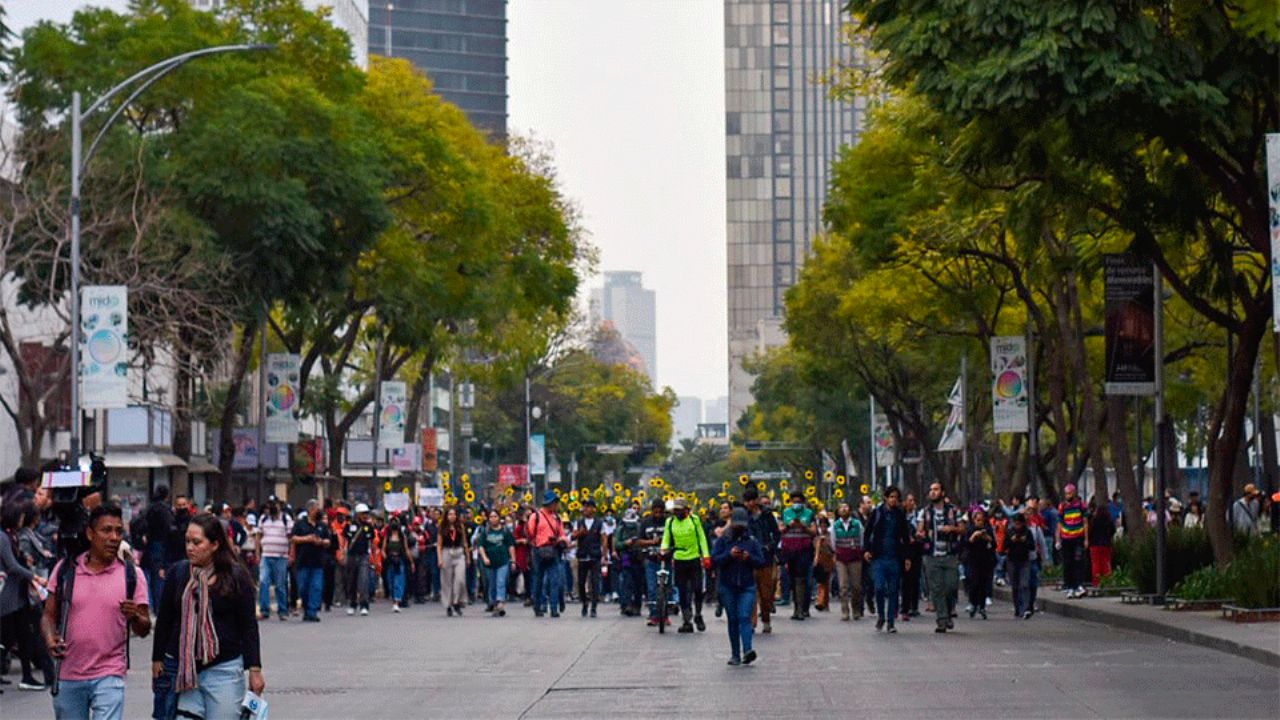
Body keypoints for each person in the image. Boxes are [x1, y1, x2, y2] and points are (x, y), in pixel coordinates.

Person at [42, 504, 151, 720]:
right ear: (90, 534)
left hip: (110, 673)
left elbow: (144, 628)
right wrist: (50, 639)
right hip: (68, 674)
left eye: (119, 531)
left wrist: (135, 617)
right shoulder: (66, 571)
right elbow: (48, 615)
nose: (113, 537)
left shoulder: (132, 574)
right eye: (106, 530)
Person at [152, 513, 264, 720]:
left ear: (214, 545)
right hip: (186, 673)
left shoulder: (235, 577)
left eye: (197, 542)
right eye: (187, 541)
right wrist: (157, 659)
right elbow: (165, 619)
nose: (190, 548)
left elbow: (249, 626)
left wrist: (255, 669)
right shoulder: (178, 573)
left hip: (224, 671)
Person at [3, 501, 53, 691]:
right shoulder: (6, 537)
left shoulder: (14, 536)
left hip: (20, 593)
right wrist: (35, 576)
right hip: (13, 593)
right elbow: (12, 565)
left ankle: (28, 675)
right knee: (11, 636)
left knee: (21, 635)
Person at [711, 507, 765, 667]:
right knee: (733, 619)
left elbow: (761, 561)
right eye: (737, 525)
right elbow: (715, 560)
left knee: (744, 617)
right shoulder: (723, 540)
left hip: (747, 586)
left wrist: (749, 558)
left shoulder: (752, 541)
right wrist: (729, 555)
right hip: (728, 586)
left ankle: (748, 650)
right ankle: (735, 654)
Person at [863, 487, 911, 633]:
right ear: (885, 498)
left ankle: (890, 622)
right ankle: (881, 616)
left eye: (896, 497)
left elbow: (905, 536)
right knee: (879, 587)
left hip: (895, 558)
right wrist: (866, 550)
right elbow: (868, 531)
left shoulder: (900, 514)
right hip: (878, 558)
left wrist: (907, 557)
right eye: (891, 497)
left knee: (893, 590)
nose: (893, 500)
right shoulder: (877, 513)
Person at [661, 497, 711, 633]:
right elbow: (666, 537)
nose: (676, 513)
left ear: (686, 510)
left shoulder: (694, 520)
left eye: (679, 510)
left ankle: (698, 614)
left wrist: (706, 555)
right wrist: (663, 549)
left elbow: (702, 538)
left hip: (694, 558)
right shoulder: (670, 522)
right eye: (674, 510)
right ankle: (686, 619)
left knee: (697, 588)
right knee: (682, 590)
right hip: (679, 559)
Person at [918, 482, 962, 633]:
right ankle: (942, 620)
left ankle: (949, 611)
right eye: (931, 490)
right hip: (932, 555)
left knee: (951, 586)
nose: (933, 492)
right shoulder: (925, 512)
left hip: (950, 554)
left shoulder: (953, 510)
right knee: (936, 589)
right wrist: (920, 534)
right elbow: (920, 529)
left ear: (942, 492)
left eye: (936, 490)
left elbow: (963, 529)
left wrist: (952, 528)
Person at [740, 489, 780, 634]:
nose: (749, 504)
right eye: (746, 501)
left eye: (751, 500)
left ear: (756, 500)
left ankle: (766, 619)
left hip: (766, 558)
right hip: (749, 559)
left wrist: (771, 546)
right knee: (750, 593)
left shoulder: (767, 515)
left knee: (766, 593)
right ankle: (752, 623)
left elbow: (776, 534)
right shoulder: (743, 516)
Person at [289, 500, 332, 622]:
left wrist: (321, 542)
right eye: (316, 508)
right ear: (310, 510)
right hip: (303, 561)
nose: (318, 511)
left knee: (316, 587)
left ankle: (312, 611)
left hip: (318, 562)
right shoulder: (300, 524)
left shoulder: (322, 525)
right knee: (303, 587)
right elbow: (293, 538)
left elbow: (328, 541)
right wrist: (307, 539)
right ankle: (306, 608)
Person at [527, 492, 568, 618]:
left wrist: (562, 540)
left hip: (553, 551)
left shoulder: (557, 518)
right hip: (539, 551)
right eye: (555, 503)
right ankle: (537, 607)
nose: (556, 505)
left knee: (555, 581)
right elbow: (529, 533)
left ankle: (554, 608)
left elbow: (562, 534)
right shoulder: (535, 516)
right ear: (549, 503)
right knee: (538, 580)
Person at [779, 491, 817, 620]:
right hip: (789, 551)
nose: (796, 504)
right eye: (794, 502)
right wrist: (788, 526)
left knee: (801, 580)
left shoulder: (809, 514)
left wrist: (803, 526)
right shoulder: (786, 513)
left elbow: (814, 531)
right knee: (791, 580)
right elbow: (780, 529)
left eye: (799, 502)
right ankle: (796, 607)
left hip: (804, 551)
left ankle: (800, 609)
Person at [255, 499, 292, 621]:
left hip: (281, 556)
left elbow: (291, 538)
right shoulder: (263, 519)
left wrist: (291, 554)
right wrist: (257, 553)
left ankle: (283, 610)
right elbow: (258, 536)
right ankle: (264, 610)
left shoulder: (286, 520)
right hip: (266, 555)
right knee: (264, 582)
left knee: (280, 584)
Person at [571, 499, 607, 618]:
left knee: (595, 582)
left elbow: (604, 539)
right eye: (584, 507)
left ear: (593, 509)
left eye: (587, 507)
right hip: (582, 555)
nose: (585, 509)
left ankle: (594, 607)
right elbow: (573, 536)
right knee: (581, 582)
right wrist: (579, 534)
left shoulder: (600, 523)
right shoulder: (579, 522)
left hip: (595, 555)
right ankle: (584, 603)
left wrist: (604, 555)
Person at [141, 486, 174, 610]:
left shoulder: (149, 508)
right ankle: (159, 607)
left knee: (150, 576)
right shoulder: (164, 509)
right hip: (161, 544)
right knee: (160, 576)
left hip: (150, 544)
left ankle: (152, 605)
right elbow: (169, 528)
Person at [477, 509, 515, 617]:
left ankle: (500, 602)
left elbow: (511, 546)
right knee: (492, 584)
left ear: (499, 518)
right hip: (490, 562)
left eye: (495, 516)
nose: (493, 519)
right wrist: (484, 558)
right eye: (491, 517)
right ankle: (493, 602)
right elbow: (481, 546)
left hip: (503, 561)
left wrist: (513, 560)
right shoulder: (486, 531)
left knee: (501, 581)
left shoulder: (505, 531)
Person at [638, 499, 670, 627]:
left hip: (665, 559)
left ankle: (665, 614)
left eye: (660, 512)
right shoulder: (645, 522)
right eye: (655, 512)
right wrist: (651, 542)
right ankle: (653, 615)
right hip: (651, 559)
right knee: (652, 588)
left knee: (667, 587)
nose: (658, 514)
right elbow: (639, 541)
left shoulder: (669, 522)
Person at [1056, 484, 1090, 598]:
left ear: (1074, 493)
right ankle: (1070, 586)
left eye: (1070, 493)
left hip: (1078, 536)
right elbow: (1059, 523)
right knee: (1068, 562)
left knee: (1078, 561)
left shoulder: (1081, 505)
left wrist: (1086, 539)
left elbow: (1085, 522)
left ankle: (1078, 585)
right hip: (1066, 538)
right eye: (1066, 493)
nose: (1068, 496)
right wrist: (1058, 539)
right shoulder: (1062, 506)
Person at [435, 506, 469, 617]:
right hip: (446, 553)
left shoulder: (460, 527)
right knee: (447, 581)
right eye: (450, 514)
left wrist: (467, 556)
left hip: (458, 553)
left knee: (460, 579)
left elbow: (465, 542)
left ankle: (457, 601)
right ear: (446, 516)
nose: (452, 516)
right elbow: (439, 545)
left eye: (454, 514)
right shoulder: (442, 527)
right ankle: (448, 604)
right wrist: (440, 559)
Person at [343, 504, 376, 616]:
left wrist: (374, 558)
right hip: (352, 555)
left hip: (363, 556)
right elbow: (345, 541)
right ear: (357, 514)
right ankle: (352, 604)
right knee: (351, 581)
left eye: (366, 513)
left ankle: (364, 605)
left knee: (363, 581)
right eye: (363, 514)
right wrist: (343, 554)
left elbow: (372, 543)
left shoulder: (369, 527)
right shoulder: (349, 525)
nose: (365, 516)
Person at [962, 509, 995, 619]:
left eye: (981, 520)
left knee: (983, 583)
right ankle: (973, 603)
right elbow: (966, 544)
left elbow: (994, 544)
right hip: (973, 560)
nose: (979, 522)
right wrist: (973, 536)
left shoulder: (988, 530)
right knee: (974, 582)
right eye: (977, 520)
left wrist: (987, 538)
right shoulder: (970, 530)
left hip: (985, 561)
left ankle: (982, 605)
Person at [613, 506, 645, 616]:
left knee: (638, 582)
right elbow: (617, 544)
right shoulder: (621, 529)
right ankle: (626, 605)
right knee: (626, 580)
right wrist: (625, 543)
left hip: (638, 556)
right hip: (626, 556)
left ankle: (637, 605)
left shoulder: (639, 528)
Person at [1005, 512, 1037, 619]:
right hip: (1012, 560)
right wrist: (1011, 540)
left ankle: (1026, 608)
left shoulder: (1027, 532)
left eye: (1019, 524)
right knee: (1015, 586)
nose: (1017, 526)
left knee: (1025, 584)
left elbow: (1032, 546)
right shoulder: (1009, 531)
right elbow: (1004, 545)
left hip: (1024, 561)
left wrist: (1025, 541)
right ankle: (1017, 608)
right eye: (1016, 524)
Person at [381, 516, 413, 612]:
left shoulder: (402, 537)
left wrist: (411, 562)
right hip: (390, 561)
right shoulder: (387, 536)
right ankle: (393, 598)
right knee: (390, 581)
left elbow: (407, 550)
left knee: (398, 582)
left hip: (400, 561)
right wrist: (386, 557)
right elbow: (383, 550)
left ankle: (397, 602)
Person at [1089, 500, 1116, 587]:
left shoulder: (1094, 520)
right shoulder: (1109, 520)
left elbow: (1090, 531)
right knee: (1106, 563)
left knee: (1096, 564)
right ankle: (1107, 582)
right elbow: (1113, 531)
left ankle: (1096, 583)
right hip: (1106, 544)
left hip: (1095, 544)